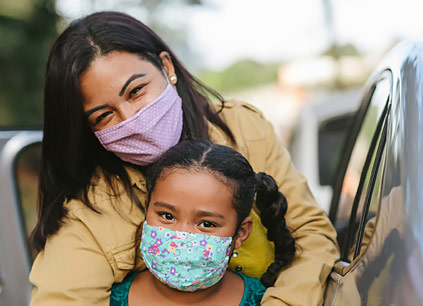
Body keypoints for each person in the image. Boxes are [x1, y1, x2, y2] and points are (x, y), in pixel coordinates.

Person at [29, 11, 339, 306]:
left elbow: (310, 236)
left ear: (167, 67)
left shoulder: (243, 129)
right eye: (104, 115)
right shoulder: (89, 210)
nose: (131, 119)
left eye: (136, 91)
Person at [110, 140, 296, 305]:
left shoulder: (265, 300)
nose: (181, 236)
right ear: (146, 209)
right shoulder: (106, 298)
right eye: (167, 216)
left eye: (207, 224)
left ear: (240, 234)